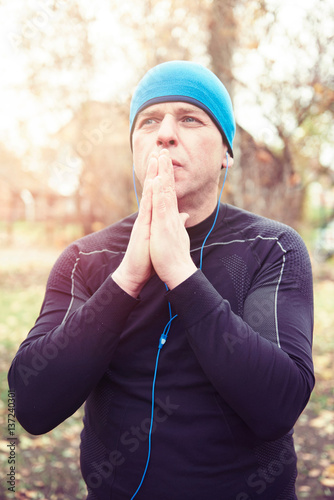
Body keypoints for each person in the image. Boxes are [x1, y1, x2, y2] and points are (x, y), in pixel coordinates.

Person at [8, 61, 314, 500]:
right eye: (149, 120)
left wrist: (180, 273)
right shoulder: (85, 260)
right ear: (135, 147)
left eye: (190, 118)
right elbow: (33, 406)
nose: (165, 133)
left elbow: (277, 406)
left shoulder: (273, 248)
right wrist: (128, 277)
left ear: (226, 151)